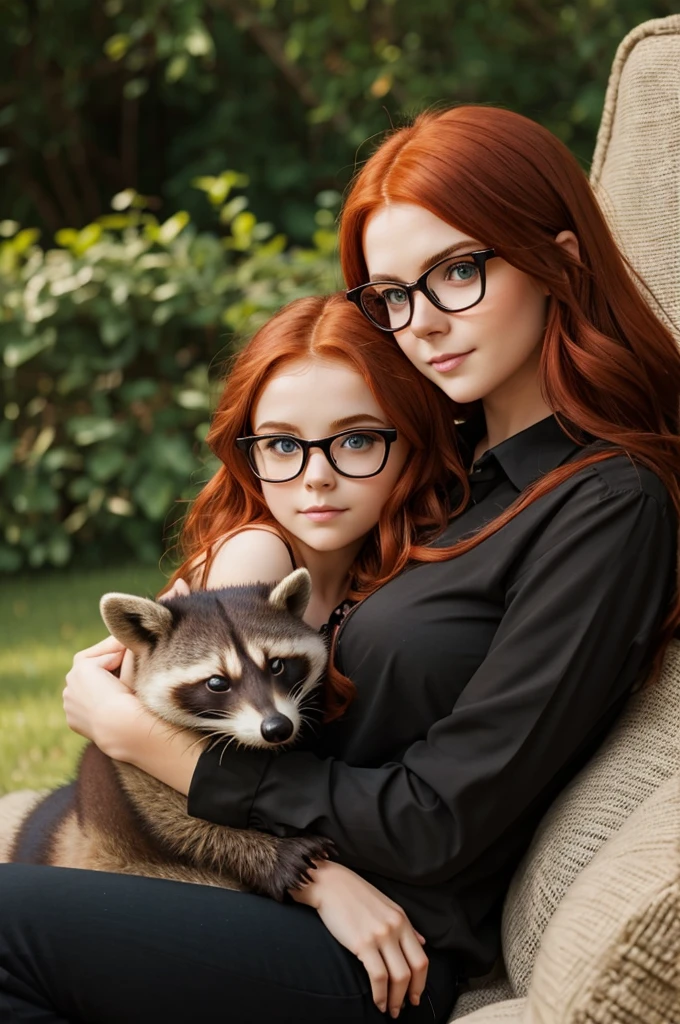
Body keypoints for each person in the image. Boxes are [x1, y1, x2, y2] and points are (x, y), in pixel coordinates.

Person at [1, 105, 679, 1024]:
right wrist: (236, 565)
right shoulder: (445, 466)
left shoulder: (606, 506)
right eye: (393, 294)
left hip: (386, 946)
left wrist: (157, 749)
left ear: (558, 258)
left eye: (459, 272)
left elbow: (439, 820)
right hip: (286, 894)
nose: (424, 323)